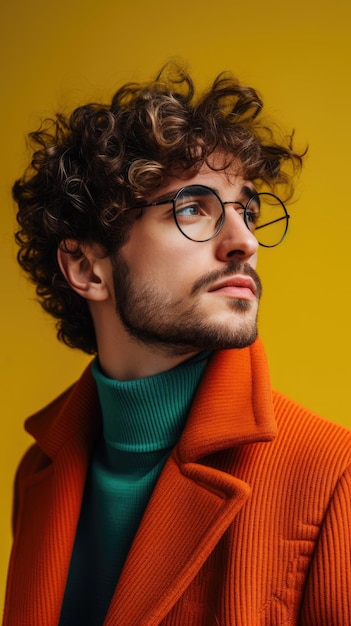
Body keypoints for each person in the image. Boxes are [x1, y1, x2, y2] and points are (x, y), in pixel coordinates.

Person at [3, 62, 351, 626]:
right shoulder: (40, 470)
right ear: (87, 266)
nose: (243, 242)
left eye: (247, 211)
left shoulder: (334, 476)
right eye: (194, 209)